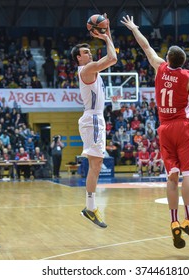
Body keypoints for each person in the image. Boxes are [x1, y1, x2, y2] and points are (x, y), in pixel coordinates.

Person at [122, 15, 189, 249]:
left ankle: (174, 221)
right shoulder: (188, 77)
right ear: (183, 62)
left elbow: (145, 46)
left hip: (164, 128)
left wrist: (135, 28)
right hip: (183, 127)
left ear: (168, 58)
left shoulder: (160, 67)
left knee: (172, 177)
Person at [71, 14, 117, 228]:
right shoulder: (87, 69)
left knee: (95, 164)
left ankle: (90, 208)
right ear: (78, 58)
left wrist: (107, 34)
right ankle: (89, 208)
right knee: (96, 164)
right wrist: (106, 36)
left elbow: (109, 58)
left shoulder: (89, 69)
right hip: (93, 119)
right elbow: (113, 58)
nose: (89, 53)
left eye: (89, 51)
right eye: (85, 52)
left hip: (95, 118)